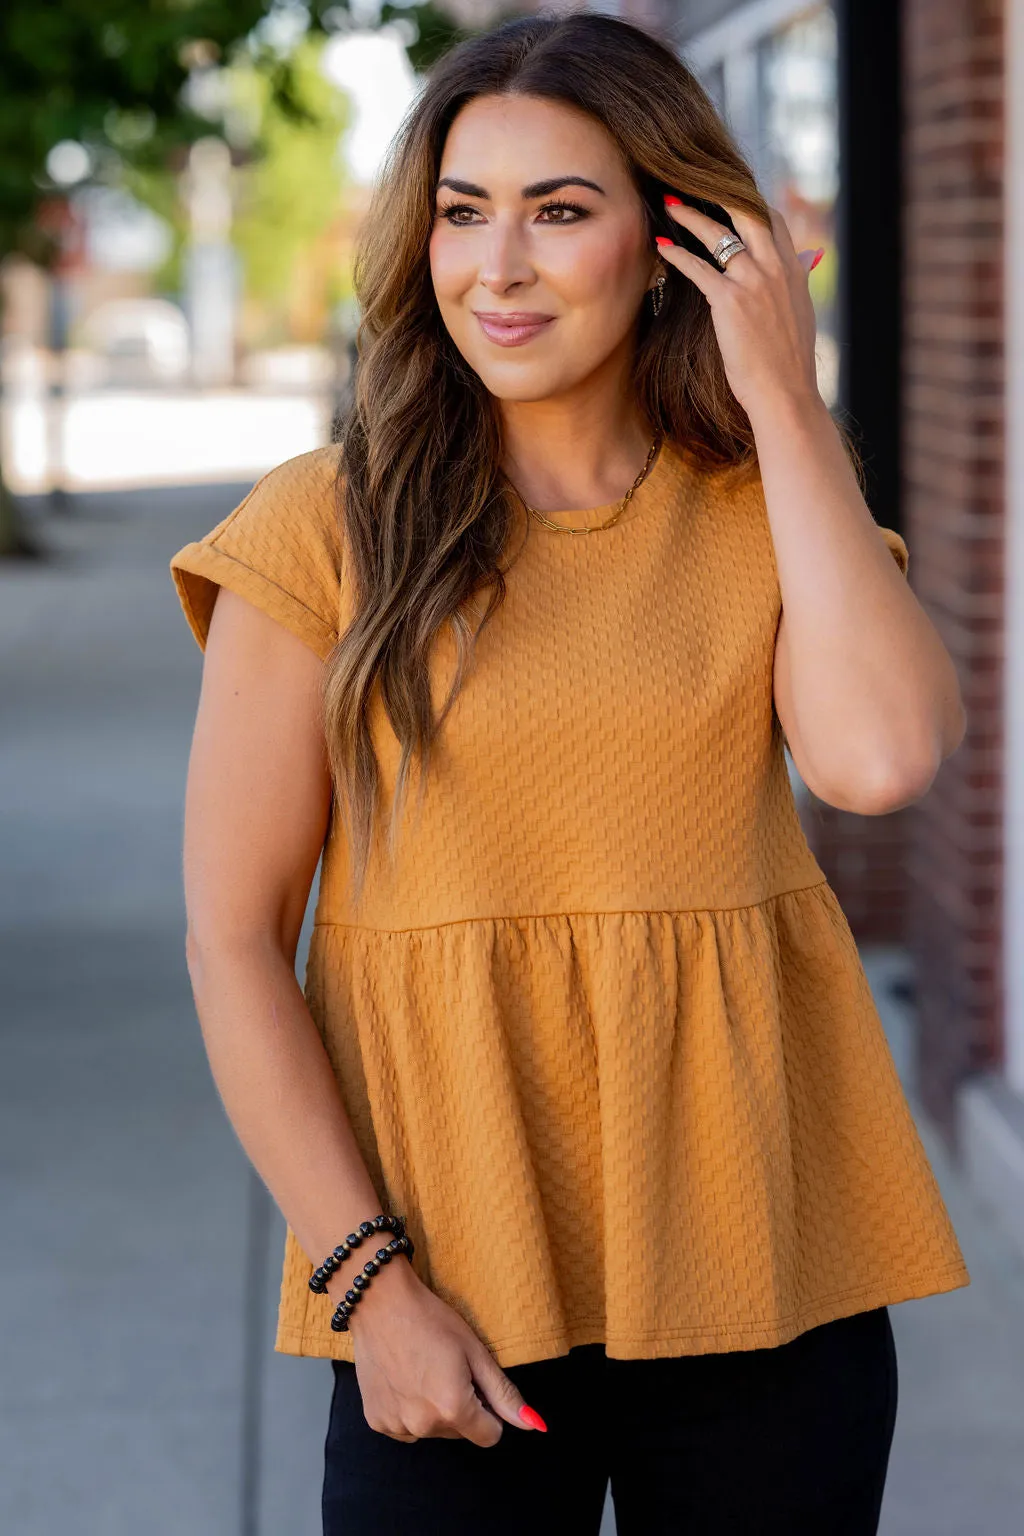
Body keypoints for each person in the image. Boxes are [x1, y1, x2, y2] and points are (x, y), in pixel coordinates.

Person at [169, 13, 970, 1534]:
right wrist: (369, 1285)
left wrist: (785, 400)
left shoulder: (761, 507)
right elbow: (228, 942)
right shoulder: (321, 530)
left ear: (673, 237)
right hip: (450, 1284)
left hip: (765, 1263)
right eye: (465, 213)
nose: (500, 266)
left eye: (560, 211)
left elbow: (880, 761)